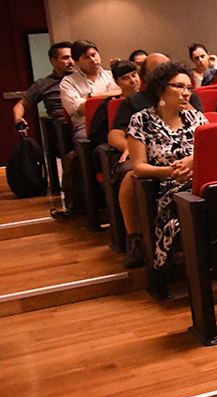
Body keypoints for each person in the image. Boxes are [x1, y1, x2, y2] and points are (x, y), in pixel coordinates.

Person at [127, 61, 209, 299]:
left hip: (200, 183)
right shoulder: (141, 120)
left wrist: (192, 160)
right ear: (161, 88)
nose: (186, 93)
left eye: (189, 88)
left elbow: (213, 149)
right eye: (179, 87)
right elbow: (139, 167)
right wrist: (170, 172)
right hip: (167, 188)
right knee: (194, 205)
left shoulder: (196, 118)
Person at [60, 39, 119, 141]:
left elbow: (123, 93)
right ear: (77, 62)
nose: (93, 59)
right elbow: (81, 109)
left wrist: (91, 96)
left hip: (114, 122)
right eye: (86, 57)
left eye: (94, 55)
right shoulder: (68, 82)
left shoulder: (112, 75)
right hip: (86, 125)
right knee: (85, 138)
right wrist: (110, 96)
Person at [13, 41, 73, 132]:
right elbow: (21, 104)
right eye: (66, 58)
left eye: (72, 57)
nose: (71, 61)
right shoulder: (43, 83)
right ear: (53, 61)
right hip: (62, 126)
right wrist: (18, 118)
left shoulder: (81, 79)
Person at [87, 59, 140, 147]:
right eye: (125, 78)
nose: (133, 80)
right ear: (117, 82)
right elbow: (96, 134)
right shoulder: (108, 104)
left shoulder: (149, 98)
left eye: (134, 75)